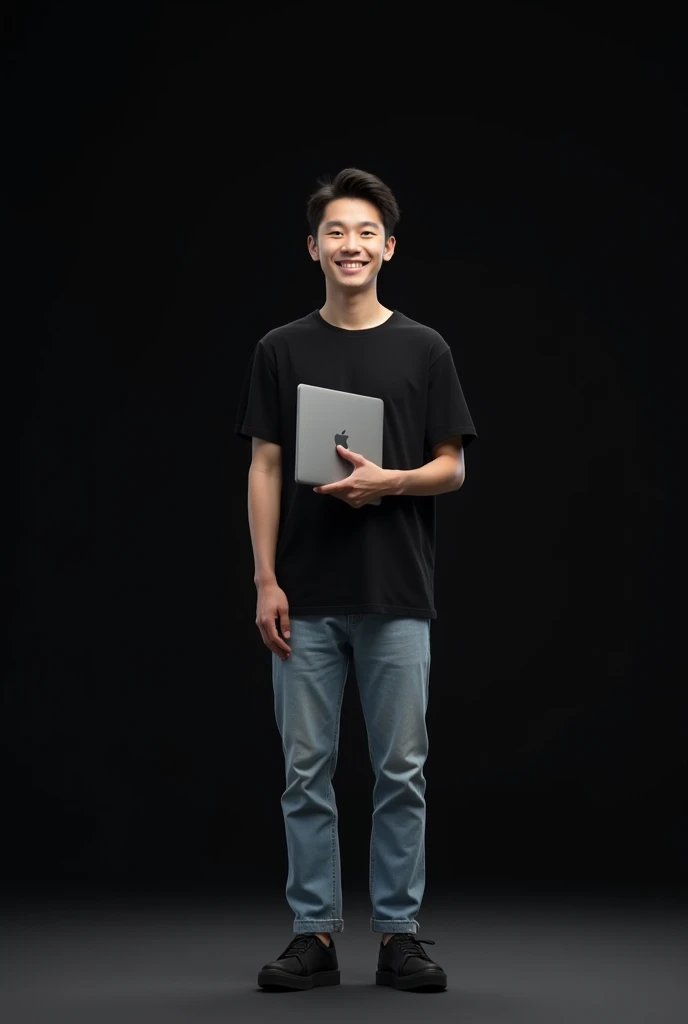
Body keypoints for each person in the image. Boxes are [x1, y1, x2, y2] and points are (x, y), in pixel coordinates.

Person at [234, 168, 477, 992]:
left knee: (399, 769)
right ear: (314, 247)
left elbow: (452, 469)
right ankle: (317, 938)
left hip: (398, 592)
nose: (351, 245)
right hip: (303, 594)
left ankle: (399, 937)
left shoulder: (424, 348)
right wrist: (266, 580)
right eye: (336, 232)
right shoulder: (282, 347)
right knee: (306, 770)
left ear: (389, 248)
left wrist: (388, 482)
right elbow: (265, 465)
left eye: (366, 232)